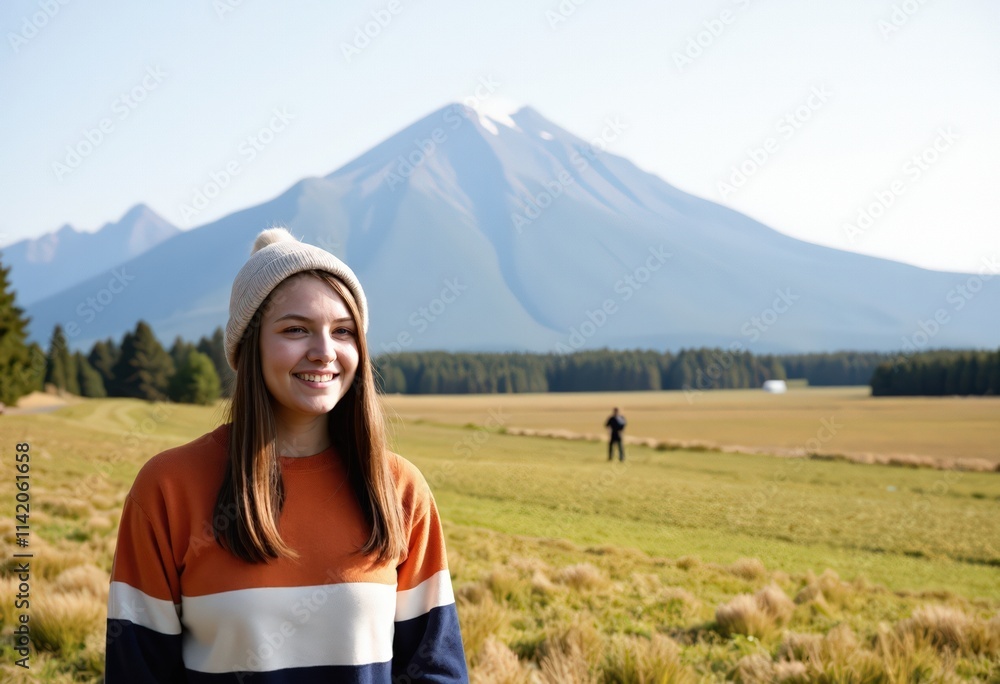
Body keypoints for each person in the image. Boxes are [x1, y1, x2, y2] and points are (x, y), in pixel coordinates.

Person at [105, 227, 469, 682]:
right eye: (295, 329)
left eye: (343, 331)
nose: (323, 352)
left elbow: (435, 671)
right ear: (248, 345)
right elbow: (137, 673)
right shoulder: (167, 489)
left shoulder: (400, 489)